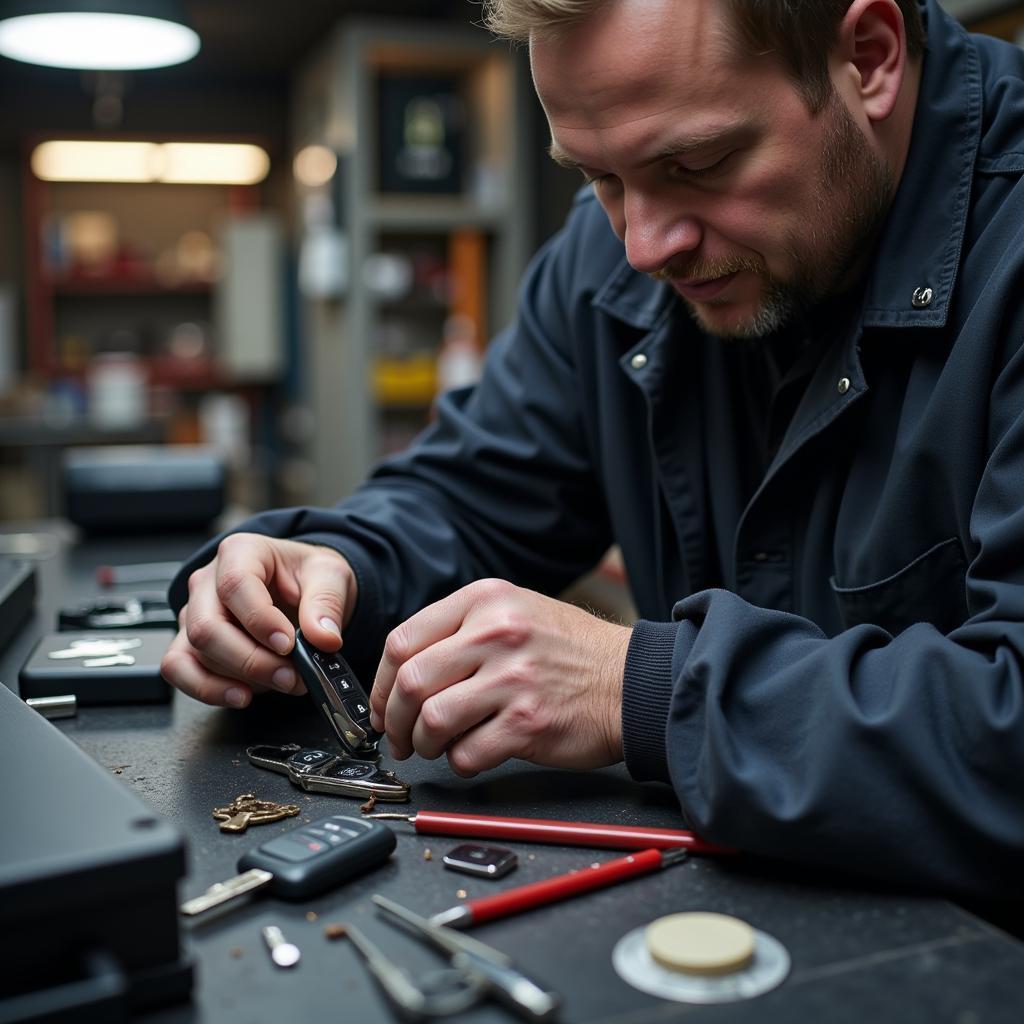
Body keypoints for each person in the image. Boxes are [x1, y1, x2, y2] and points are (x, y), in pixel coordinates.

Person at [164, 0, 1024, 902]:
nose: (644, 245)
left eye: (697, 164)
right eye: (599, 178)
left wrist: (637, 688)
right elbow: (470, 496)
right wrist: (333, 571)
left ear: (871, 56)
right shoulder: (604, 257)